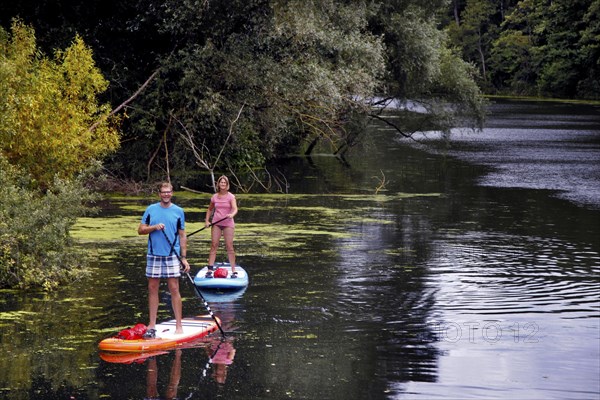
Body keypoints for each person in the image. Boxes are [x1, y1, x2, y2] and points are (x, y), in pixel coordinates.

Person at [138, 182, 190, 339]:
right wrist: (154, 227)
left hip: (172, 255)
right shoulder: (151, 210)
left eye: (168, 192)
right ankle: (152, 325)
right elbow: (140, 230)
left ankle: (179, 325)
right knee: (152, 287)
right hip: (154, 254)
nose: (166, 194)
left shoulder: (179, 212)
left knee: (174, 288)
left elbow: (182, 235)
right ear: (159, 193)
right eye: (163, 192)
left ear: (172, 193)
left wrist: (184, 258)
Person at [205, 175, 238, 278]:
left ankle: (233, 270)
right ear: (218, 184)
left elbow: (235, 208)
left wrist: (232, 214)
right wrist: (207, 220)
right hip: (216, 223)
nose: (223, 184)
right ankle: (210, 269)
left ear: (227, 184)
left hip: (228, 223)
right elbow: (210, 209)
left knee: (229, 245)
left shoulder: (231, 196)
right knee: (214, 244)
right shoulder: (214, 197)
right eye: (221, 182)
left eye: (225, 183)